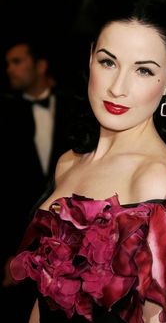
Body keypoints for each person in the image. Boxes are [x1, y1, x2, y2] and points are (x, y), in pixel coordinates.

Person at [10, 0, 166, 323]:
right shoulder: (69, 162)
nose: (118, 88)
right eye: (108, 62)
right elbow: (44, 300)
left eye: (143, 70)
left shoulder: (155, 181)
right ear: (91, 56)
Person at [0, 38, 79, 322]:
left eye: (17, 62)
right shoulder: (5, 114)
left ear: (41, 65)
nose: (10, 69)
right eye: (8, 64)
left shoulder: (78, 106)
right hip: (20, 239)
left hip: (71, 240)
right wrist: (13, 251)